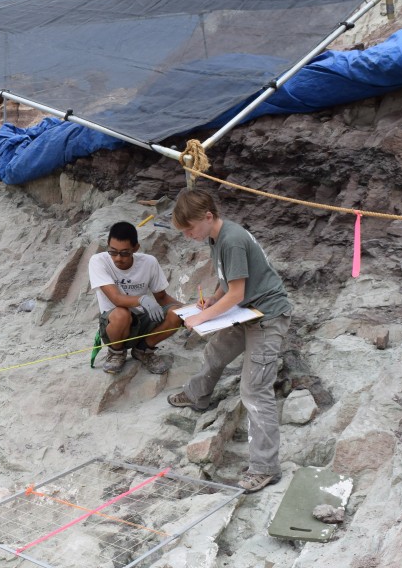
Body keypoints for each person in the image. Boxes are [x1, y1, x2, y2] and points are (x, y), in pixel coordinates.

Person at [168, 188, 292, 493]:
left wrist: (201, 319)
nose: (189, 235)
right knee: (216, 351)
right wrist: (212, 300)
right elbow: (230, 285)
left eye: (190, 229)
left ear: (208, 217)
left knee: (255, 389)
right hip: (246, 311)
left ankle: (265, 467)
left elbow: (238, 292)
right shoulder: (215, 237)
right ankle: (198, 396)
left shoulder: (233, 240)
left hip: (267, 315)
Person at [88, 221, 183, 375]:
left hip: (142, 320)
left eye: (125, 253)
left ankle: (143, 350)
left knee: (176, 313)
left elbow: (162, 297)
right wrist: (142, 299)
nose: (118, 258)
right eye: (113, 251)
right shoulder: (98, 261)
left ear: (136, 248)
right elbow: (116, 299)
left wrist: (190, 310)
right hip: (114, 325)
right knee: (122, 314)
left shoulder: (149, 262)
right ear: (108, 246)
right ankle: (116, 353)